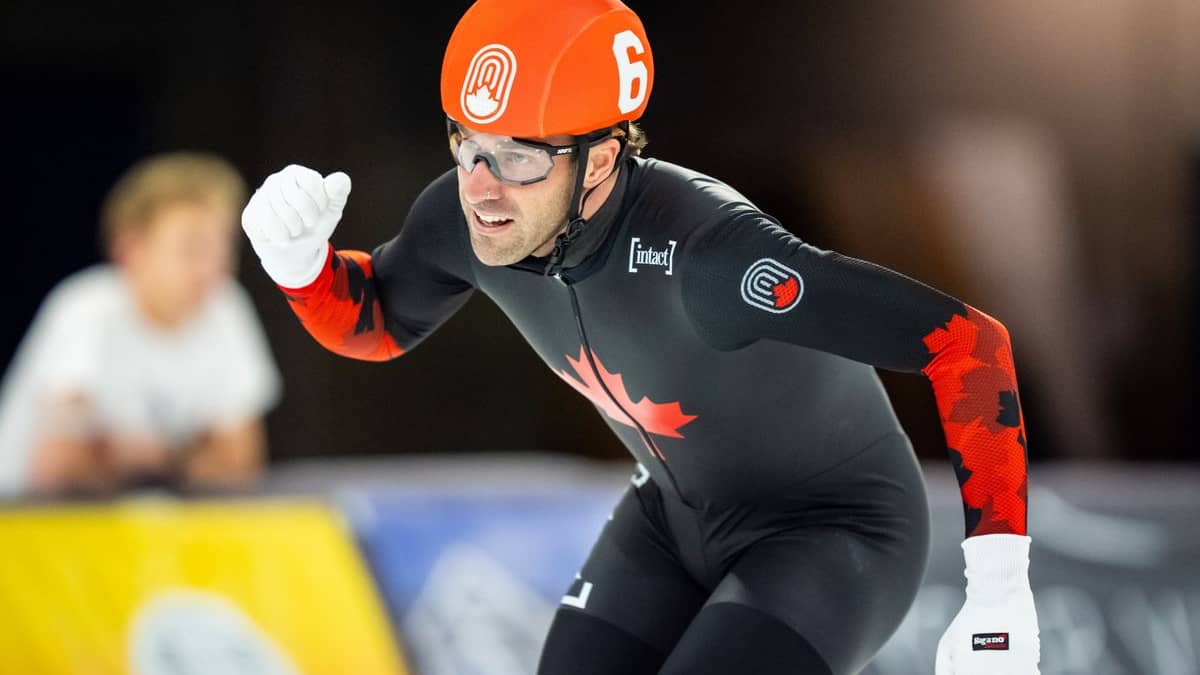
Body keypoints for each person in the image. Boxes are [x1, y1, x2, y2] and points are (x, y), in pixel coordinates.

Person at [240, 1, 1039, 672]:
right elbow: (375, 323)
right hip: (672, 516)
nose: (481, 189)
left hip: (830, 533)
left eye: (518, 157)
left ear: (601, 159)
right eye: (468, 144)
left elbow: (969, 344)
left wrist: (999, 584)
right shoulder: (465, 212)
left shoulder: (710, 255)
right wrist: (299, 263)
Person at [0, 152, 282, 496]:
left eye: (223, 245)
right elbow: (57, 471)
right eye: (192, 247)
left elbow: (240, 466)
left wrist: (132, 457)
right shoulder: (86, 311)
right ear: (131, 251)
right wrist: (188, 456)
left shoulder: (225, 307)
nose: (215, 266)